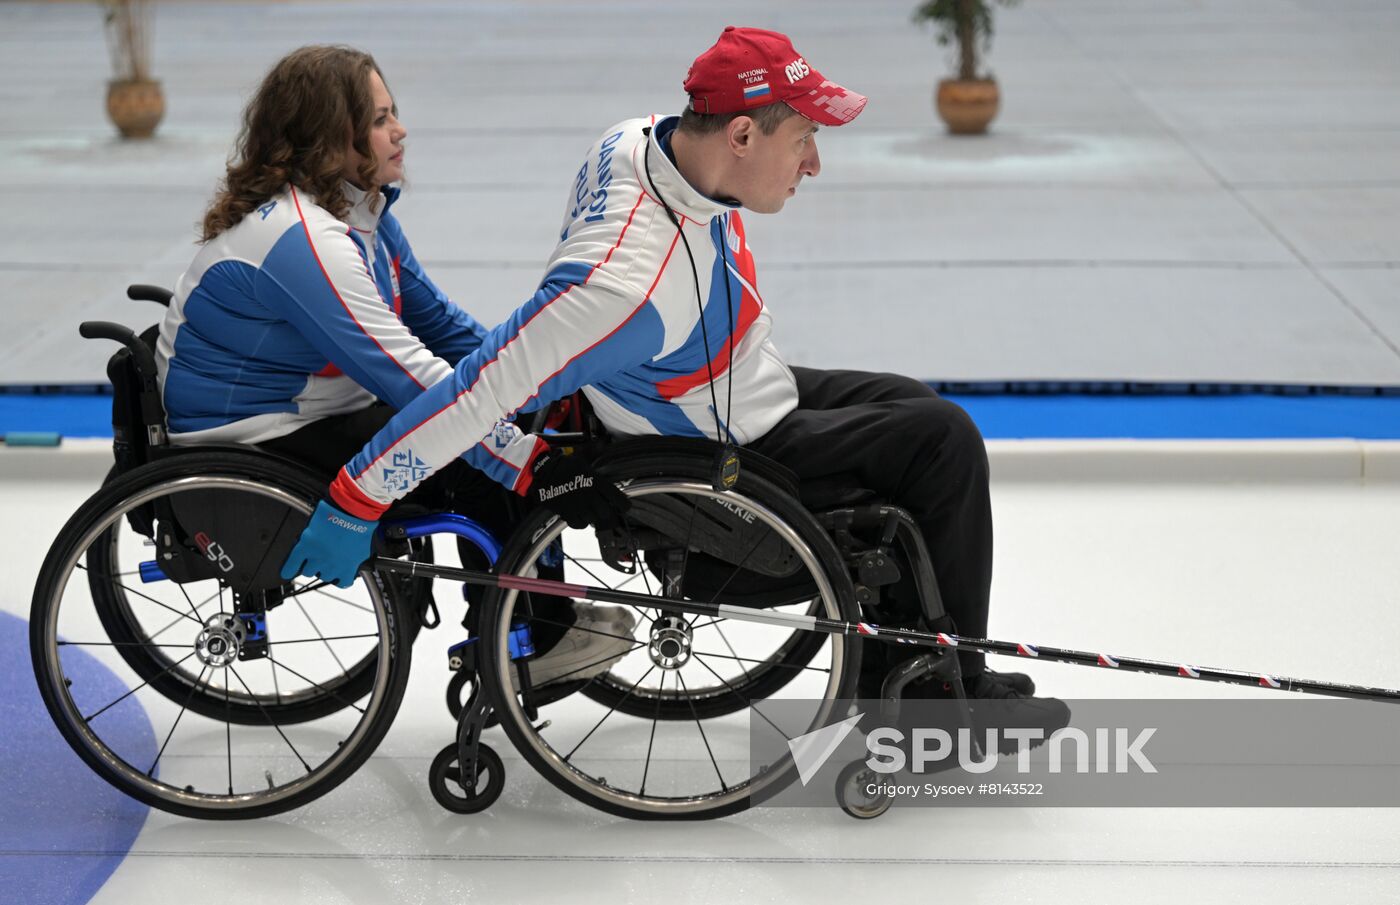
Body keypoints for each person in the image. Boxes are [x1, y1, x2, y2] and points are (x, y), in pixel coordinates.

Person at [280, 27, 1069, 740]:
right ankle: (944, 699)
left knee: (915, 403)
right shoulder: (623, 284)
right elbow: (482, 391)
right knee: (947, 442)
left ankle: (896, 670)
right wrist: (358, 497)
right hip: (720, 452)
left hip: (740, 381)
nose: (815, 164)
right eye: (803, 140)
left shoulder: (635, 141)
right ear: (741, 133)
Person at [155, 44, 634, 686]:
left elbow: (441, 326)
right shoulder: (304, 241)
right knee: (478, 463)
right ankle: (534, 641)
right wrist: (528, 461)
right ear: (332, 140)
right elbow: (410, 377)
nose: (400, 130)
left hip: (307, 413)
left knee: (506, 422)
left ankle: (532, 620)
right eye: (381, 119)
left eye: (393, 112)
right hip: (253, 442)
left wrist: (543, 383)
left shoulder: (359, 212)